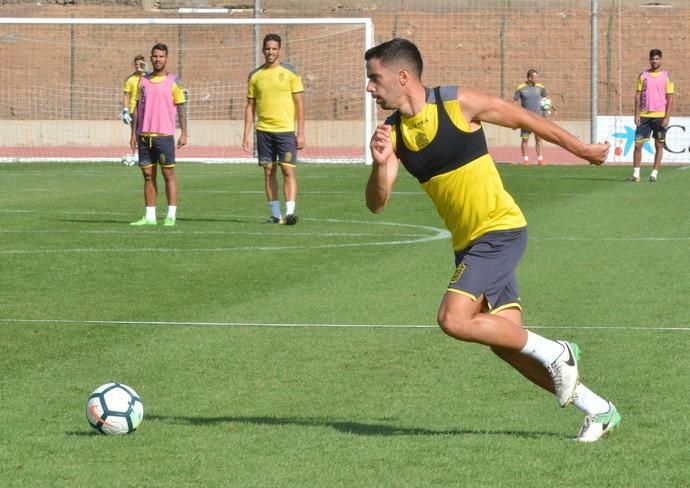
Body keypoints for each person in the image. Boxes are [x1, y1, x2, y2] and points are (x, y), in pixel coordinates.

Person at [365, 38, 620, 442]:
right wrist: (380, 166)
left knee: (453, 319)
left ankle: (559, 352)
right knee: (506, 343)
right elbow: (377, 204)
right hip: (469, 245)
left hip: (500, 230)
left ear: (402, 77)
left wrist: (584, 149)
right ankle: (599, 409)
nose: (369, 88)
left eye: (374, 78)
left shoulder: (457, 103)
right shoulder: (393, 133)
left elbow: (528, 120)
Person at [242, 33, 305, 225]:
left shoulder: (291, 73)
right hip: (263, 131)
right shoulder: (255, 75)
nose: (270, 52)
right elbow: (250, 106)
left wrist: (300, 132)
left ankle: (290, 213)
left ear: (280, 50)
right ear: (263, 50)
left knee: (288, 171)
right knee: (268, 172)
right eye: (267, 48)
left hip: (285, 131)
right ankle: (276, 215)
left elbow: (299, 104)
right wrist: (246, 135)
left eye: (274, 48)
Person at [129, 43, 188, 227]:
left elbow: (181, 109)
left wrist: (184, 133)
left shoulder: (174, 81)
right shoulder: (143, 81)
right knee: (148, 176)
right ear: (151, 58)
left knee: (168, 175)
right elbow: (138, 109)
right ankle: (150, 216)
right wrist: (133, 133)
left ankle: (171, 215)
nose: (157, 59)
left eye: (161, 56)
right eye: (154, 56)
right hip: (145, 136)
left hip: (164, 136)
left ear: (166, 58)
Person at [630, 49, 674, 183]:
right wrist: (637, 113)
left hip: (660, 116)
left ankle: (654, 173)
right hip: (644, 116)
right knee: (638, 145)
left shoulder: (667, 76)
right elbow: (637, 95)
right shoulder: (643, 75)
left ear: (660, 59)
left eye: (657, 59)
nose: (654, 61)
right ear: (650, 60)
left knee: (658, 146)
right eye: (652, 59)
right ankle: (636, 174)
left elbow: (670, 98)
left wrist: (667, 117)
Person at [513, 69, 549, 165]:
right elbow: (515, 102)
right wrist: (515, 115)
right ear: (529, 78)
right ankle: (526, 159)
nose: (537, 79)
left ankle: (540, 159)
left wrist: (551, 109)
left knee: (539, 138)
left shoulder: (541, 87)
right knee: (525, 139)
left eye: (537, 77)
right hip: (526, 119)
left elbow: (546, 100)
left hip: (538, 118)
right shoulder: (520, 88)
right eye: (535, 77)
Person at [121, 54, 147, 126]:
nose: (138, 66)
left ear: (144, 64)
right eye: (136, 64)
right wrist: (125, 110)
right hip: (133, 110)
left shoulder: (148, 77)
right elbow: (126, 95)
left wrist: (145, 73)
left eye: (140, 64)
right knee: (134, 134)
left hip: (146, 109)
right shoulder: (130, 79)